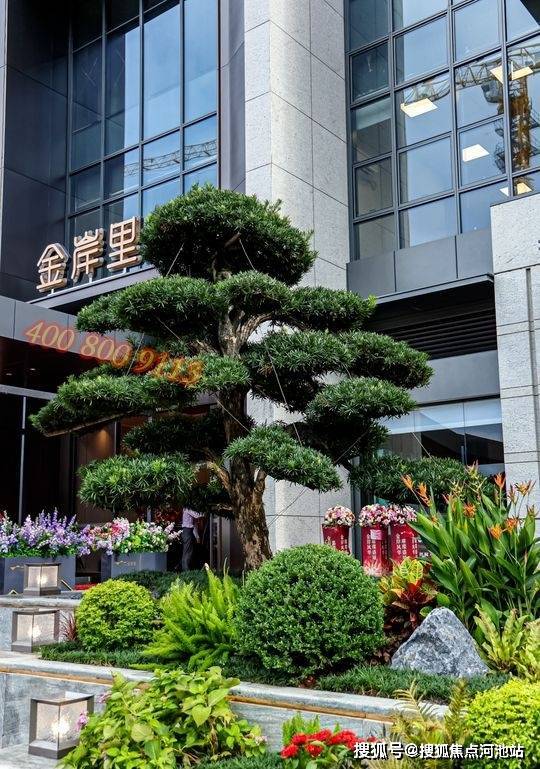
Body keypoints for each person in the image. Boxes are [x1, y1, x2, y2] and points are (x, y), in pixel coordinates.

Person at [181, 508, 206, 572]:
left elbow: (194, 525)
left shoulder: (188, 509)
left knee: (189, 551)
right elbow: (197, 515)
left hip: (188, 531)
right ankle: (186, 570)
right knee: (187, 552)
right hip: (187, 531)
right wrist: (205, 513)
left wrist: (197, 536)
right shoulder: (188, 508)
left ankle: (186, 569)